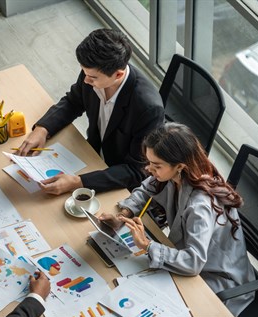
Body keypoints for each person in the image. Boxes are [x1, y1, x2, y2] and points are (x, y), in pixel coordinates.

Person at [99, 122, 255, 316]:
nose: (149, 169)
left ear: (179, 166)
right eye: (149, 162)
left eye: (156, 166)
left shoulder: (200, 207)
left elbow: (193, 262)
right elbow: (145, 191)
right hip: (186, 259)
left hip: (215, 278)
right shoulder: (174, 174)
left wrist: (147, 245)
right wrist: (123, 216)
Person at [16, 28, 164, 194]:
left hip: (117, 178)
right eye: (84, 72)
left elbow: (137, 171)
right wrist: (43, 129)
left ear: (118, 74)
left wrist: (79, 182)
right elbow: (73, 102)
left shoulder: (148, 109)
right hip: (90, 155)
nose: (86, 80)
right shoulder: (92, 73)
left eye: (92, 77)